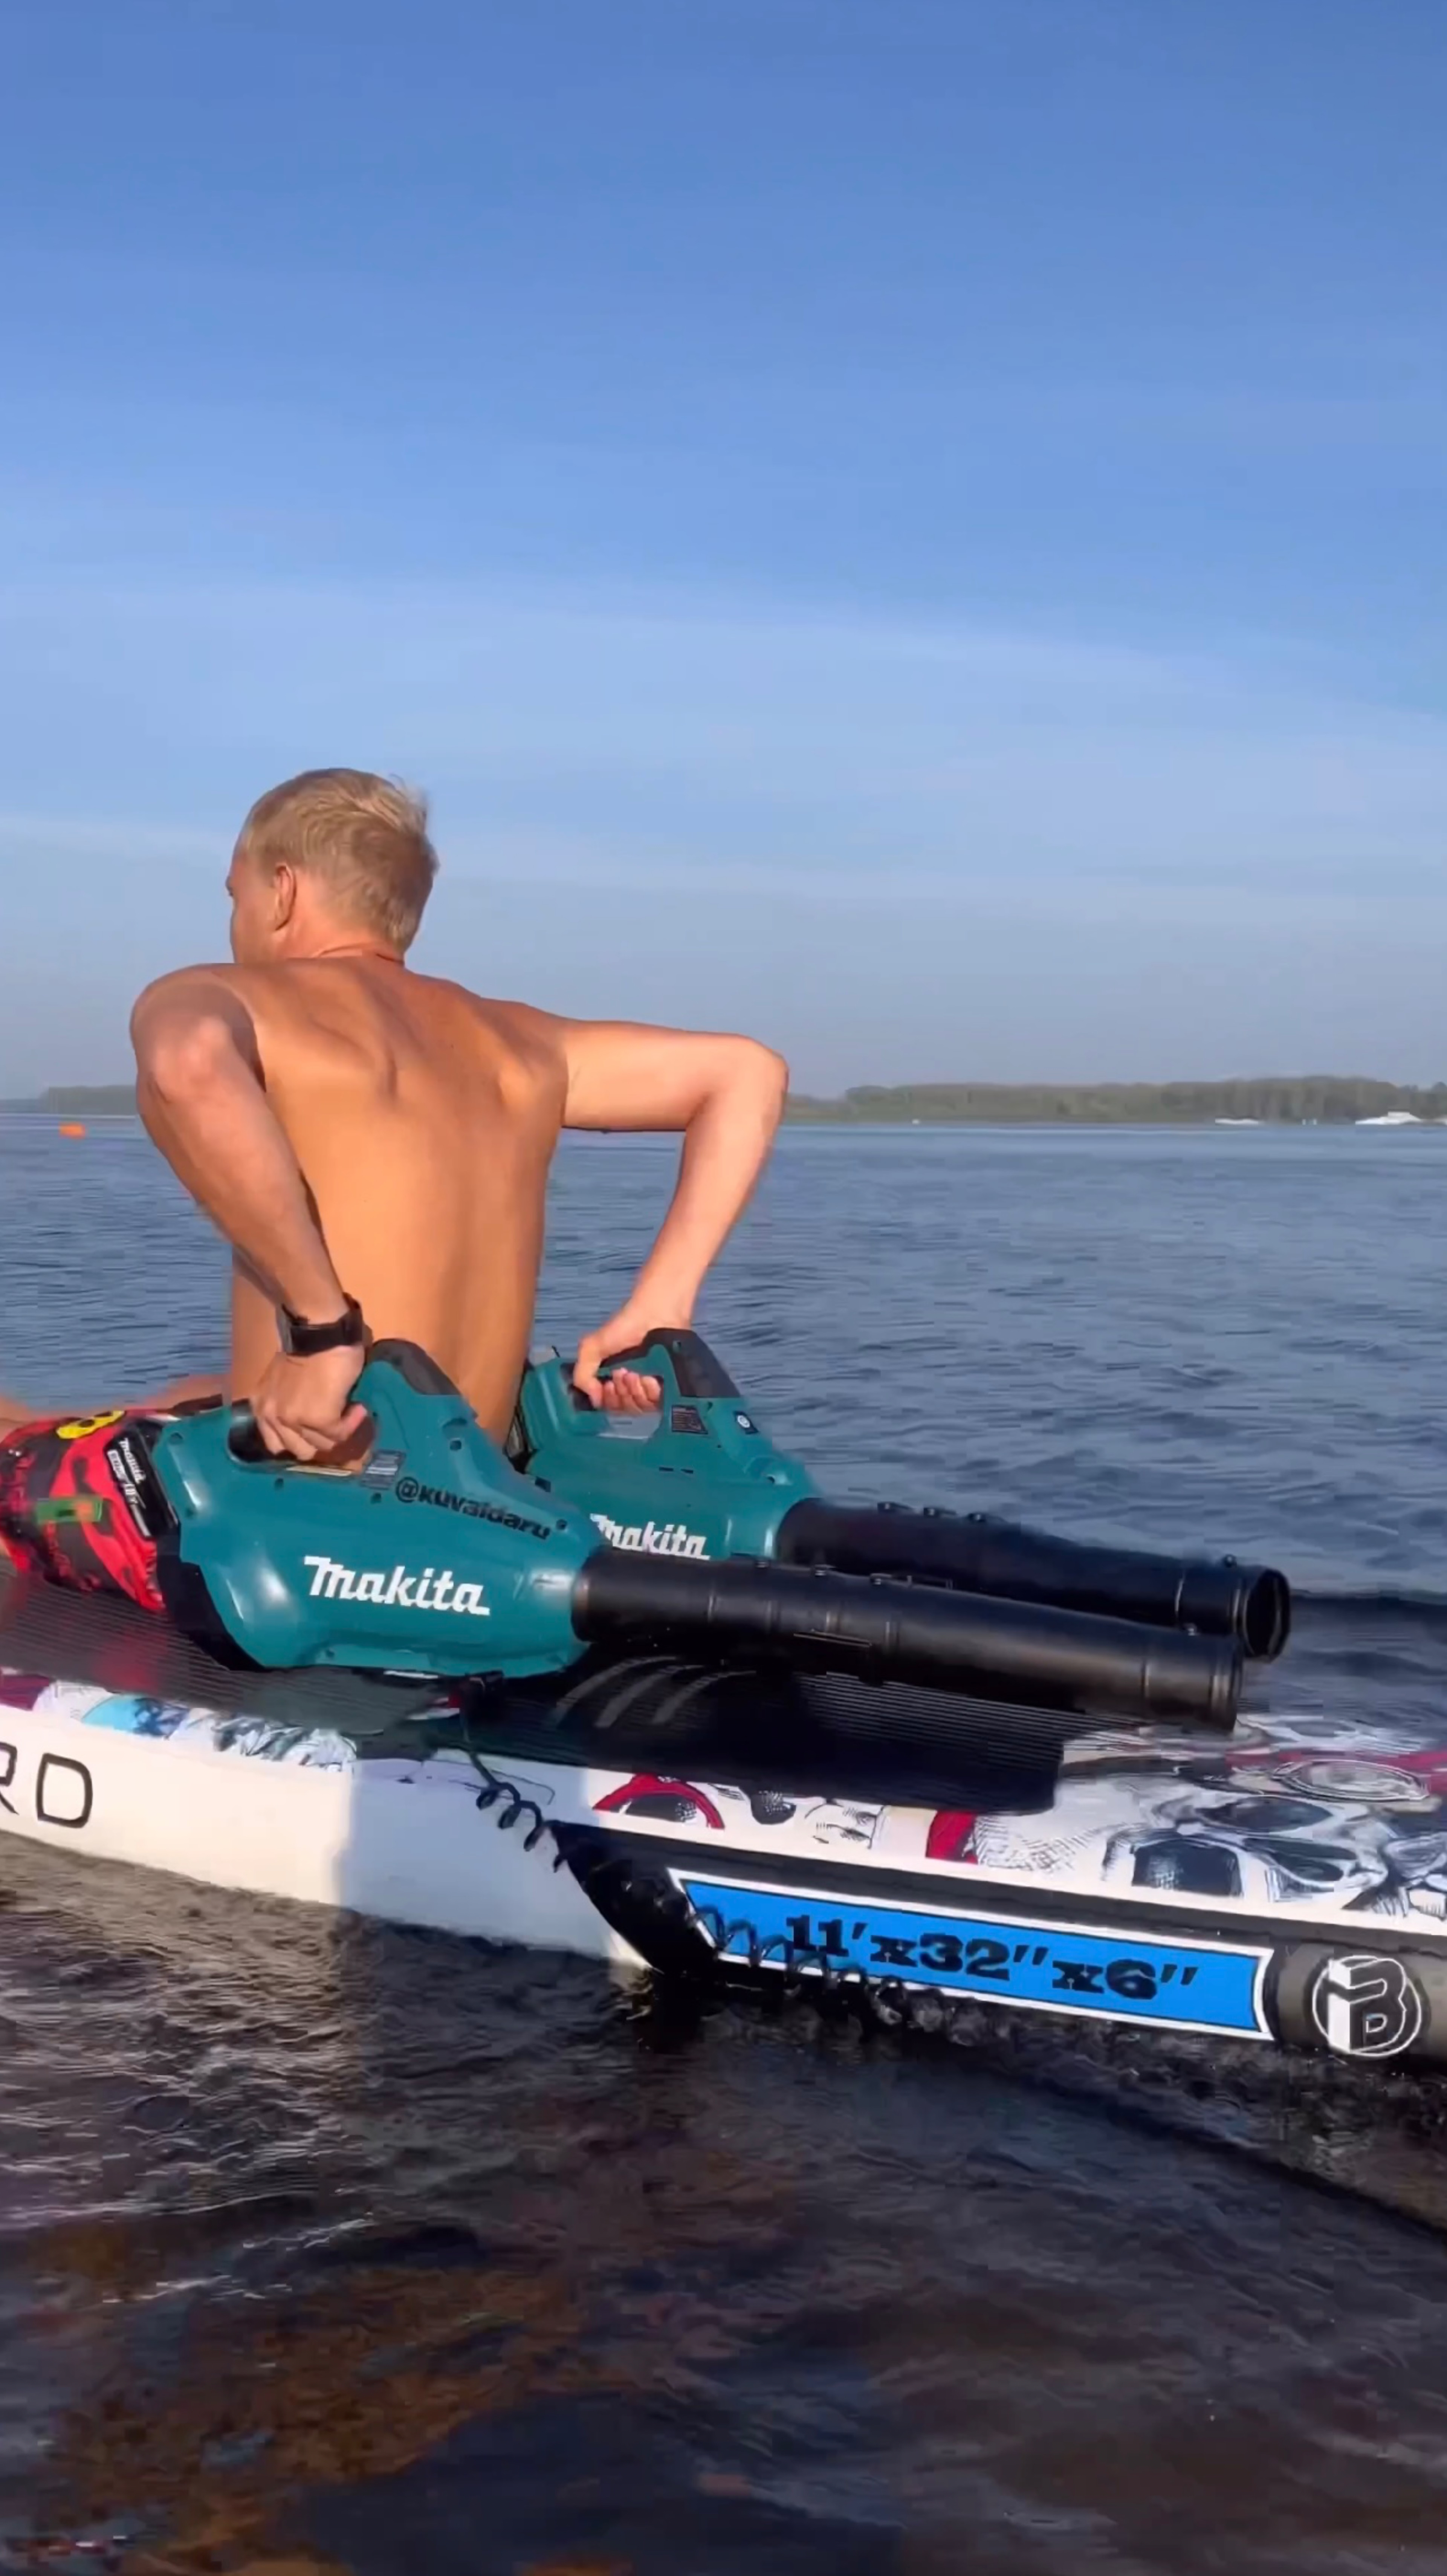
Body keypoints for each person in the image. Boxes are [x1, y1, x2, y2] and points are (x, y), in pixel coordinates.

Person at [1, 767, 788, 1475]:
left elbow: (187, 1063)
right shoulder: (522, 1044)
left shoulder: (243, 1000)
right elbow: (746, 1072)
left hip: (309, 1504)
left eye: (235, 896)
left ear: (283, 891)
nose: (235, 922)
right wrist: (659, 1306)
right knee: (176, 1398)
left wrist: (321, 1330)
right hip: (467, 1488)